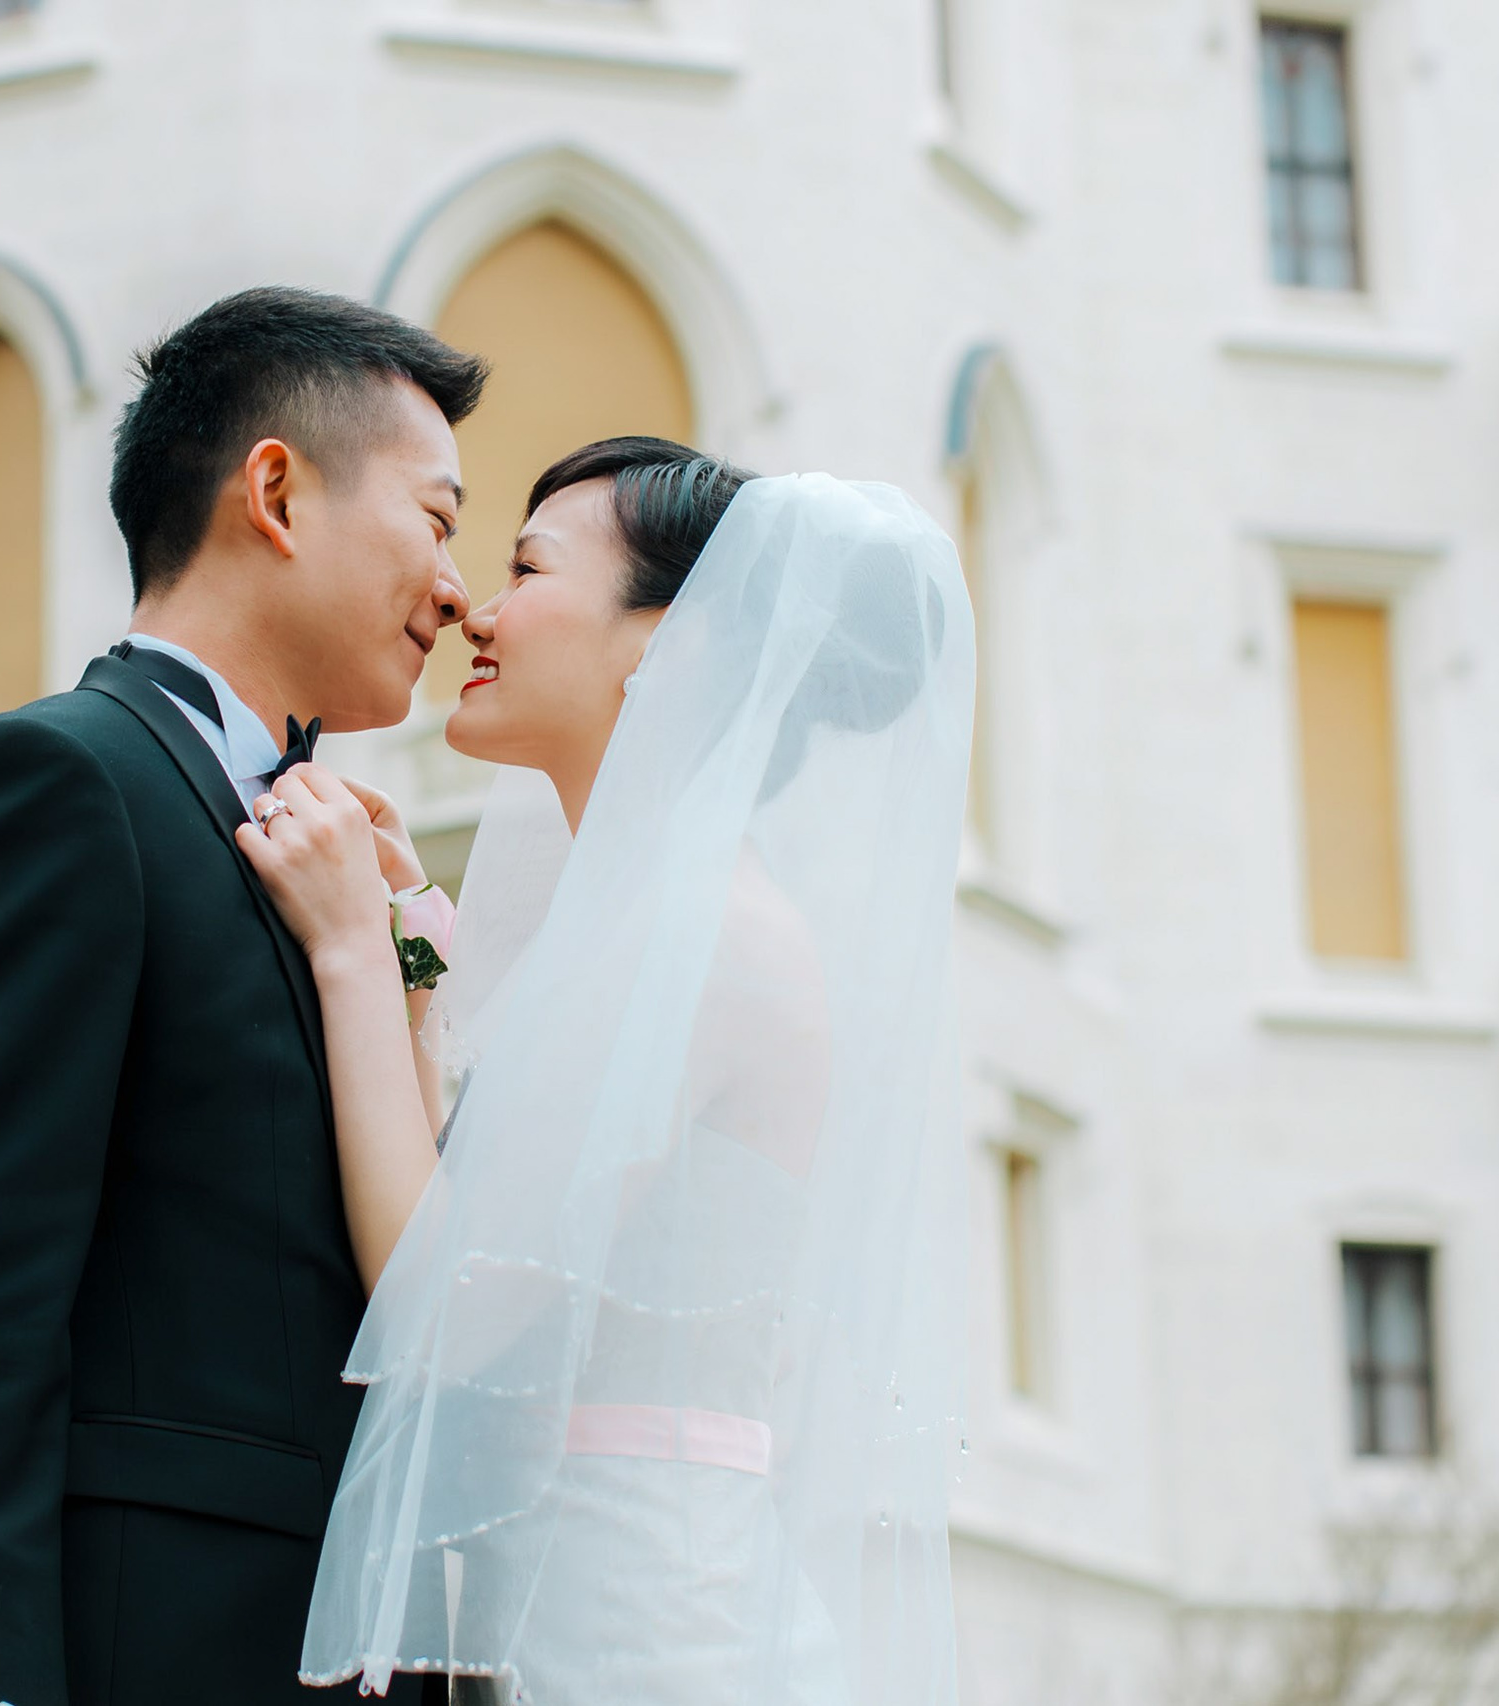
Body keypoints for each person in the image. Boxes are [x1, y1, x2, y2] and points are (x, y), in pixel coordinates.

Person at [240, 439, 975, 1705]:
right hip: (591, 1596)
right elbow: (473, 1221)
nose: (475, 607)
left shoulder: (703, 931)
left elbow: (447, 1304)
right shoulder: (653, 912)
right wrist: (411, 959)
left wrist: (352, 947)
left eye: (527, 569)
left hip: (652, 1627)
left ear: (670, 644)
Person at [0, 286, 485, 1706]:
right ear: (278, 492)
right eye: (436, 520)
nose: (457, 591)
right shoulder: (55, 789)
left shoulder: (339, 852)